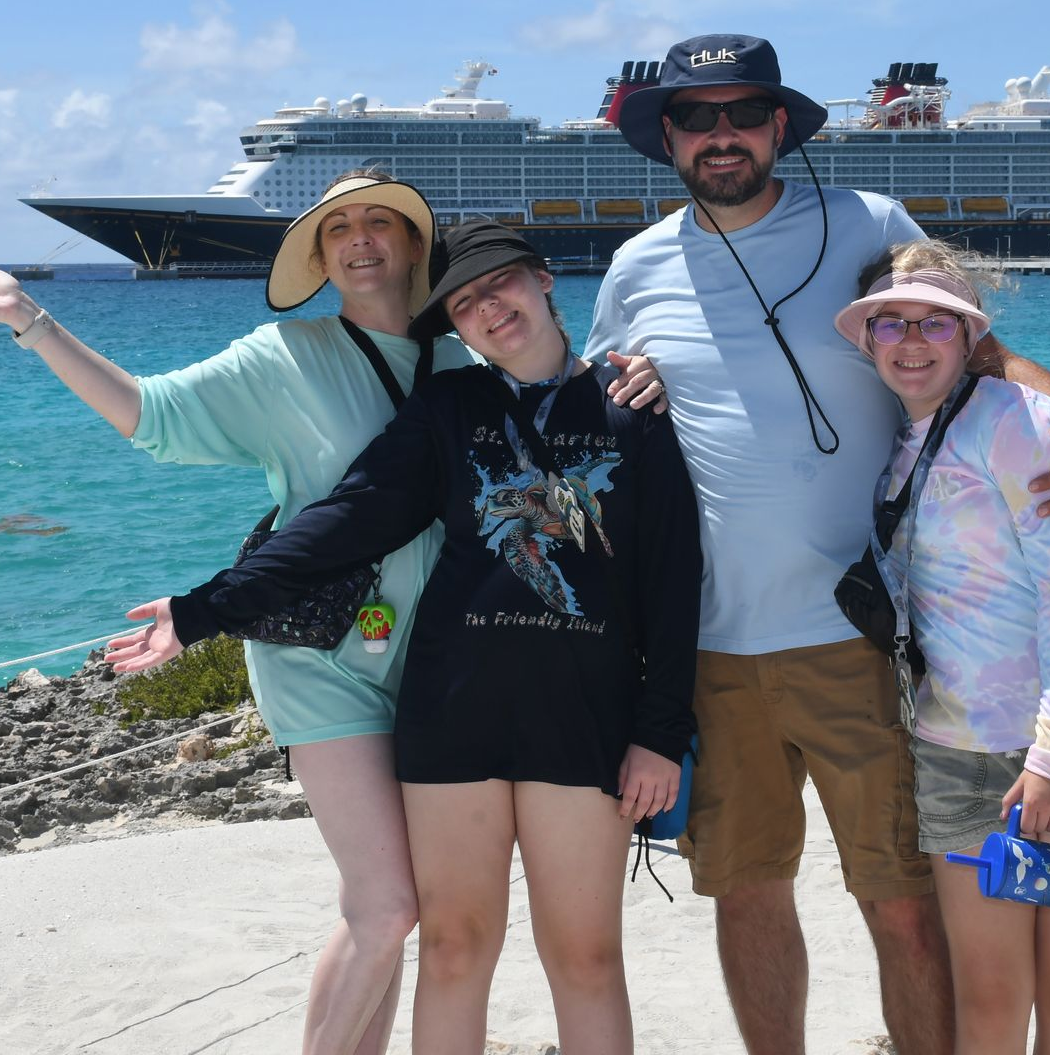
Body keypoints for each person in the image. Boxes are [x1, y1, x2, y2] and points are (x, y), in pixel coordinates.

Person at [0, 173, 657, 1055]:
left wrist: (634, 376)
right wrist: (31, 322)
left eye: (381, 220)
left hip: (442, 672)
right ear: (319, 256)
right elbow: (150, 415)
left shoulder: (469, 356)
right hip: (325, 660)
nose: (361, 238)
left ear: (416, 246)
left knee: (406, 911)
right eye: (338, 227)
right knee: (388, 906)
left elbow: (564, 423)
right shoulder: (281, 356)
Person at [586, 34, 1050, 1053]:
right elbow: (602, 410)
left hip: (860, 636)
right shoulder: (634, 267)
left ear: (780, 125)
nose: (722, 133)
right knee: (744, 893)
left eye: (744, 112)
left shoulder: (866, 221)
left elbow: (981, 354)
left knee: (903, 901)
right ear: (669, 136)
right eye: (697, 115)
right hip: (709, 646)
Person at [109, 220, 702, 1055]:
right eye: (463, 303)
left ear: (542, 280)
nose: (488, 307)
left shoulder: (632, 412)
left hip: (587, 722)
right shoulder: (451, 405)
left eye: (500, 283)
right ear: (453, 327)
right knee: (455, 951)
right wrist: (204, 608)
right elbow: (348, 520)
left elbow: (675, 587)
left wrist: (659, 733)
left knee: (587, 958)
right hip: (453, 720)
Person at [834, 241, 1050, 1054]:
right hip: (957, 753)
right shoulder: (903, 445)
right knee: (987, 1004)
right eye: (891, 323)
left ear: (971, 336)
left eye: (934, 322)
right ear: (867, 339)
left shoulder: (1019, 423)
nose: (911, 340)